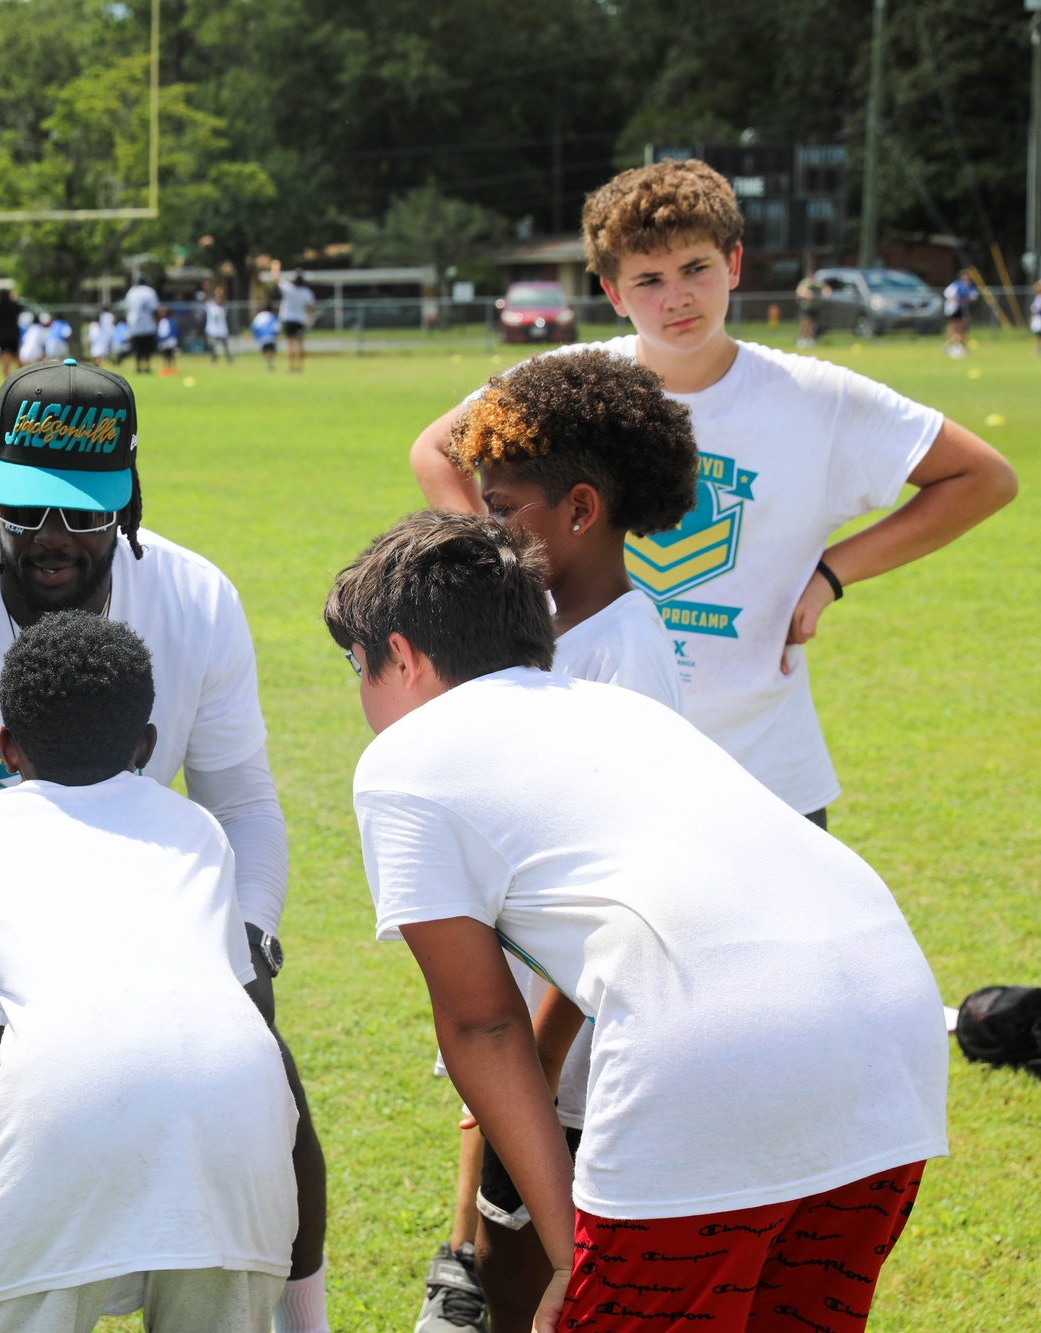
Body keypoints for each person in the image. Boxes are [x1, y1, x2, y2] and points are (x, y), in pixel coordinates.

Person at [328, 509, 949, 1333]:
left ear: (400, 655)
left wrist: (566, 1253)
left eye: (356, 665)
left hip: (714, 1064)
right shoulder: (619, 707)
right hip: (892, 1035)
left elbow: (481, 1025)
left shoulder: (402, 763)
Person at [0, 361, 332, 1333]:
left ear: (129, 502)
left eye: (85, 515)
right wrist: (11, 875)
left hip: (149, 899)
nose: (52, 538)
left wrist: (254, 933)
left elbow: (245, 802)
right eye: (23, 511)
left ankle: (305, 1320)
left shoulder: (194, 596)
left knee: (271, 1093)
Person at [409, 157, 1016, 829]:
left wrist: (829, 575)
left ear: (732, 264)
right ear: (612, 292)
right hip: (595, 757)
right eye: (648, 279)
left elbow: (983, 478)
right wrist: (507, 577)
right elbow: (435, 450)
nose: (677, 297)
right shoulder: (567, 388)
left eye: (695, 269)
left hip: (763, 766)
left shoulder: (815, 397)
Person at [0, 611, 296, 1333]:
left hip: (59, 1112)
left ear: (6, 748)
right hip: (242, 1117)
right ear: (146, 744)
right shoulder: (196, 827)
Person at [426, 348, 696, 1333]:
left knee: (542, 1288)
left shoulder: (616, 662)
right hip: (528, 1042)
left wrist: (530, 1065)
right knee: (503, 1264)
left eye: (501, 510)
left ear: (580, 510)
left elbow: (628, 896)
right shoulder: (551, 628)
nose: (485, 526)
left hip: (575, 1062)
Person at [278, 271, 316, 372]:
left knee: (290, 344)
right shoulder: (306, 292)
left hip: (288, 319)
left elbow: (276, 278)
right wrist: (308, 319)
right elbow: (311, 308)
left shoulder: (288, 288)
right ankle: (300, 367)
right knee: (300, 344)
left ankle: (291, 367)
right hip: (300, 320)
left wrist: (275, 266)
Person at [124, 275, 159, 372]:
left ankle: (138, 367)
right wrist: (157, 321)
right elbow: (154, 309)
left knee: (137, 348)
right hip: (148, 324)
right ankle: (147, 366)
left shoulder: (131, 292)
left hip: (134, 324)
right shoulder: (149, 291)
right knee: (147, 348)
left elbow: (127, 308)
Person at [943, 270, 978, 357]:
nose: (966, 279)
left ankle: (960, 345)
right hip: (954, 309)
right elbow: (948, 295)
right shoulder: (956, 285)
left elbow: (973, 296)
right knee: (955, 328)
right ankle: (951, 345)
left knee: (962, 328)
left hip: (962, 309)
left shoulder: (969, 286)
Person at [0, 287, 23, 378]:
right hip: (13, 335)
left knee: (5, 357)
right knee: (16, 356)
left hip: (1, 335)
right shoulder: (13, 306)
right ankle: (22, 375)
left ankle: (6, 377)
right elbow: (20, 308)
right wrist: (14, 299)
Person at [794, 270, 822, 348]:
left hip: (813, 307)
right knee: (805, 323)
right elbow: (799, 292)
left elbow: (824, 287)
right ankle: (801, 339)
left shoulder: (815, 283)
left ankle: (809, 339)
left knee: (811, 324)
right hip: (806, 306)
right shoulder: (804, 283)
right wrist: (807, 294)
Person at [250, 303, 279, 372]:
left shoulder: (259, 316)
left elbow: (254, 327)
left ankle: (268, 363)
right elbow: (277, 328)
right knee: (271, 351)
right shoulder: (273, 316)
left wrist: (254, 336)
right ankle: (271, 363)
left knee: (265, 351)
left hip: (262, 338)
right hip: (271, 337)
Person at [205, 290, 231, 362]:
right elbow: (207, 299)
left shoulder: (222, 308)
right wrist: (207, 289)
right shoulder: (211, 307)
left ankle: (229, 359)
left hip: (221, 330)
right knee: (212, 345)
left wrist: (221, 294)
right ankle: (214, 358)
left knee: (225, 346)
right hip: (212, 330)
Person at [156, 306, 178, 371]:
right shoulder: (161, 321)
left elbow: (172, 331)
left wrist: (166, 339)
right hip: (163, 341)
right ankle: (166, 368)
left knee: (170, 354)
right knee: (165, 355)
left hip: (169, 341)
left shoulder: (169, 321)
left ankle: (172, 368)